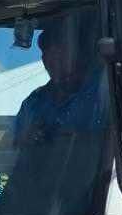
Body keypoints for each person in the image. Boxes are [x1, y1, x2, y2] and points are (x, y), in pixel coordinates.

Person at [13, 11, 107, 148]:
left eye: (59, 53)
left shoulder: (102, 91)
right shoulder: (33, 104)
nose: (50, 60)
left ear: (79, 53)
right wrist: (27, 139)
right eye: (46, 55)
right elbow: (15, 147)